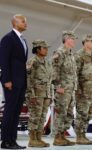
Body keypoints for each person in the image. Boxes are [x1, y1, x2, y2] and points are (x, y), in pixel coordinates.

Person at [0, 14, 28, 149]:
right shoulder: (8, 39)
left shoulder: (22, 40)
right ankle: (5, 141)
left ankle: (13, 140)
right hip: (11, 82)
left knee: (16, 112)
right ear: (15, 23)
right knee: (9, 111)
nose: (25, 24)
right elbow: (3, 61)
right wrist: (6, 80)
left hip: (21, 82)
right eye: (23, 21)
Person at [51, 31, 77, 146]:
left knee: (69, 113)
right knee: (61, 112)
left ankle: (62, 135)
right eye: (73, 39)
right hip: (63, 89)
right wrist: (58, 86)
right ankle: (57, 137)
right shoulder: (59, 52)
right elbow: (54, 70)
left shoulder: (70, 54)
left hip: (70, 89)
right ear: (67, 39)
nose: (74, 41)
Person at [26, 40, 52, 147]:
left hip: (46, 94)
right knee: (35, 117)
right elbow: (28, 79)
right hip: (36, 94)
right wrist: (31, 95)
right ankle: (32, 140)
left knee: (42, 117)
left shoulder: (47, 62)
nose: (46, 50)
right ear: (37, 49)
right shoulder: (33, 62)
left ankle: (39, 138)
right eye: (44, 48)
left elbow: (49, 79)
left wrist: (50, 95)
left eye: (46, 48)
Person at [75, 34, 92, 145]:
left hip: (91, 91)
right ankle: (79, 136)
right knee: (82, 114)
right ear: (85, 42)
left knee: (89, 115)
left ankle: (83, 135)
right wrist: (79, 90)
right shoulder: (79, 55)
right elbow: (76, 74)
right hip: (83, 91)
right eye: (91, 41)